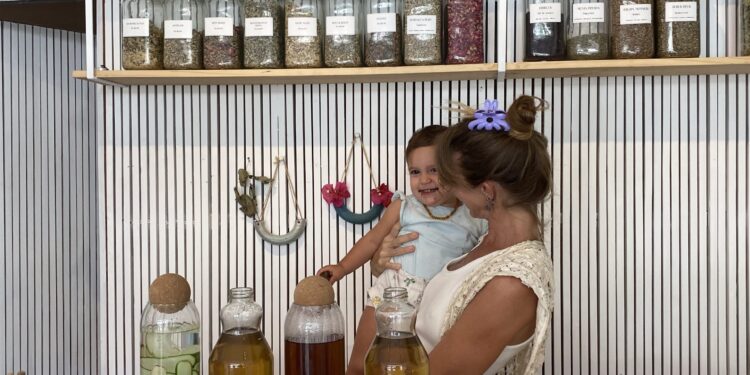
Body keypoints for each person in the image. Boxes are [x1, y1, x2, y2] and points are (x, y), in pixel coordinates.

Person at [371, 96, 554, 375]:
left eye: (453, 183)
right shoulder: (487, 242)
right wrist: (382, 266)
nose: (451, 194)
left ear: (487, 192)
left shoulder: (511, 285)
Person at [317, 125, 486, 375]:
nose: (424, 180)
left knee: (414, 365)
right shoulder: (404, 206)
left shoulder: (472, 215)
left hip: (438, 300)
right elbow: (373, 240)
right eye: (415, 172)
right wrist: (342, 267)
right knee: (360, 362)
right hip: (391, 290)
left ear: (454, 169)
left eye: (434, 170)